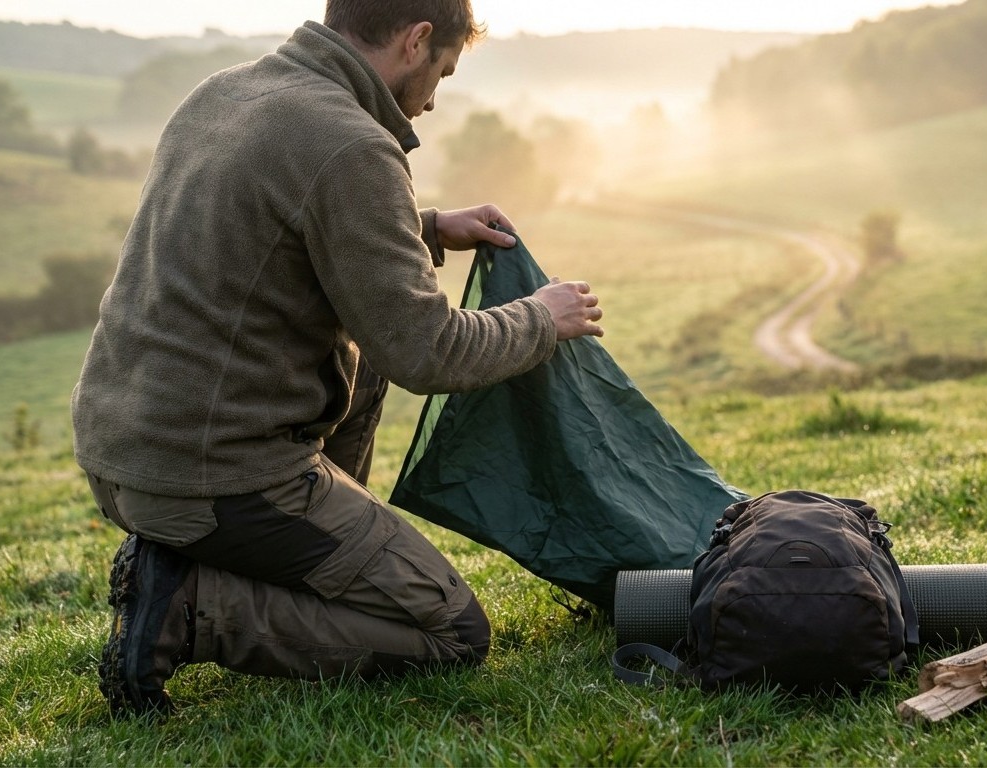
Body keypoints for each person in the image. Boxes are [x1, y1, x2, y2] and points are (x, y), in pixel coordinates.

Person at [71, 0, 604, 717]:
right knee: (450, 629)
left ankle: (246, 563)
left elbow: (278, 226)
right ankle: (183, 606)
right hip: (216, 478)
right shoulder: (351, 145)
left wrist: (426, 228)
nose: (434, 101)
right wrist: (542, 319)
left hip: (124, 450)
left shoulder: (227, 91)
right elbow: (428, 351)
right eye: (440, 72)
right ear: (416, 41)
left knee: (365, 341)